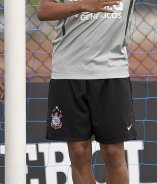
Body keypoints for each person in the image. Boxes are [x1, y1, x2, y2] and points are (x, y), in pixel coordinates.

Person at [37, 0, 137, 183]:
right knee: (79, 152)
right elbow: (43, 11)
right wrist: (83, 5)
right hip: (68, 72)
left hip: (112, 72)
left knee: (113, 152)